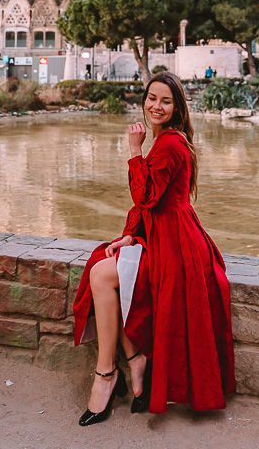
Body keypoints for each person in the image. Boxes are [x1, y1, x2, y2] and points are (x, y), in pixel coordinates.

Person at [73, 71, 235, 426]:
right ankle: (130, 360)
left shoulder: (171, 144)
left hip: (176, 247)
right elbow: (150, 204)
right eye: (151, 98)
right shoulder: (166, 141)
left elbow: (145, 195)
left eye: (165, 100)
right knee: (102, 270)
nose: (155, 106)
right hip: (161, 235)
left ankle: (108, 374)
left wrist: (134, 150)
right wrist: (131, 234)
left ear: (177, 107)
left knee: (102, 275)